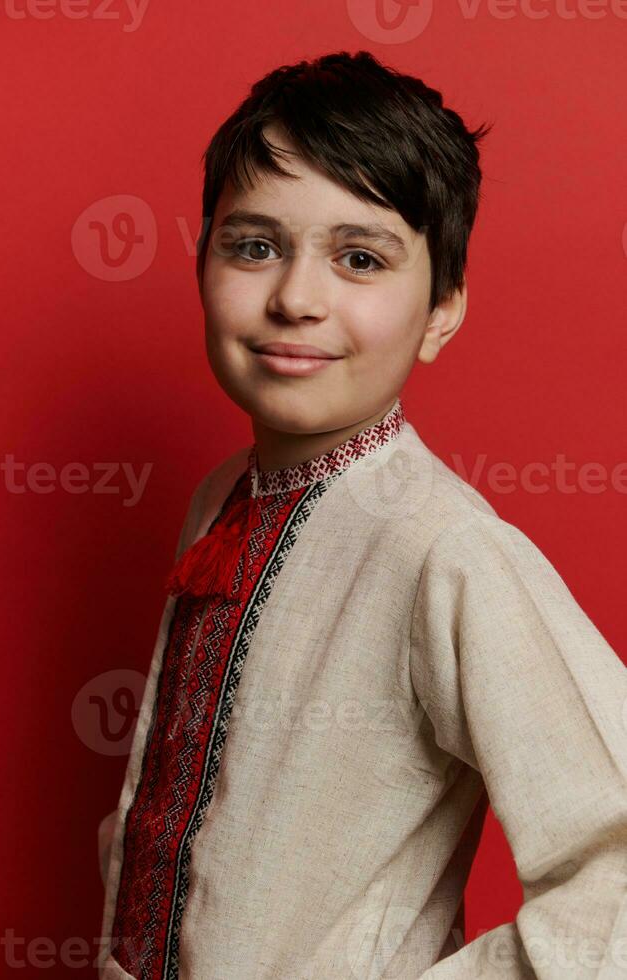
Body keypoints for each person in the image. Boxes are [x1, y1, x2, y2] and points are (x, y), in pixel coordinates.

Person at [96, 51, 627, 979]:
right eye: (253, 245)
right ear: (202, 266)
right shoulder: (219, 498)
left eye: (360, 258)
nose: (296, 298)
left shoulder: (446, 550)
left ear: (441, 311)